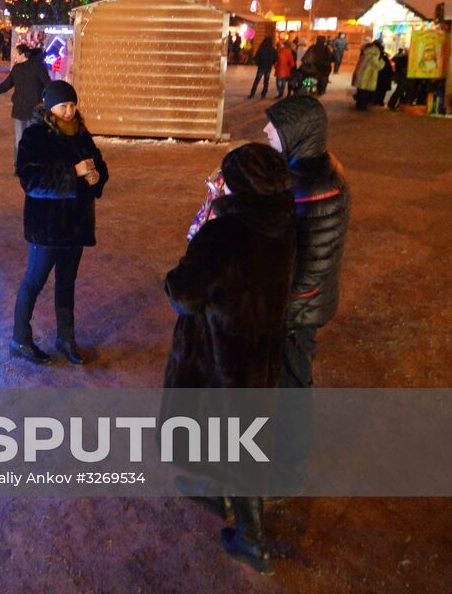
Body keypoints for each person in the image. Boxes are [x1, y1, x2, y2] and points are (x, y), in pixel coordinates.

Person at [162, 142, 296, 575]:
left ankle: (252, 539)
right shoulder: (283, 223)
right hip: (260, 349)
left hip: (217, 353)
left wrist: (173, 276)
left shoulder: (225, 232)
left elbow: (185, 293)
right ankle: (223, 499)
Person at [264, 95, 352, 495]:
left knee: (292, 391)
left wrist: (280, 310)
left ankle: (287, 475)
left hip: (297, 312)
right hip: (298, 305)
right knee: (284, 386)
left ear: (297, 132)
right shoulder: (308, 170)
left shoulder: (313, 187)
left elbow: (310, 267)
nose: (266, 132)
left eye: (274, 128)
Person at [11, 81, 108, 365]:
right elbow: (30, 180)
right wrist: (73, 172)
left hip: (76, 225)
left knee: (67, 283)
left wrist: (97, 177)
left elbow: (98, 165)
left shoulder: (80, 133)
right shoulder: (35, 135)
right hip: (47, 227)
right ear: (49, 106)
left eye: (73, 105)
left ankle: (66, 338)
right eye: (64, 105)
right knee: (34, 281)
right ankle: (20, 338)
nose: (69, 111)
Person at [0, 44, 51, 155]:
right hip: (20, 109)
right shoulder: (17, 68)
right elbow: (6, 85)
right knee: (20, 139)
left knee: (31, 139)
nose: (14, 56)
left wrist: (51, 102)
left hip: (34, 110)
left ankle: (31, 165)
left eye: (15, 54)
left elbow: (48, 85)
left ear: (23, 54)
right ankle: (19, 165)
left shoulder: (38, 67)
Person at [352, 41, 382, 110]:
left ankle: (359, 105)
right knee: (364, 93)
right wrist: (382, 62)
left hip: (361, 75)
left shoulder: (365, 54)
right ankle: (362, 107)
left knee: (361, 92)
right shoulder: (372, 56)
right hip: (367, 77)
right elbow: (378, 66)